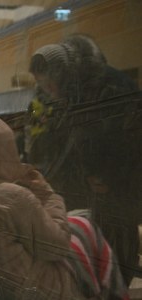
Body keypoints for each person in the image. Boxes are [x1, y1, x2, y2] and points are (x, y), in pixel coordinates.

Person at [0, 114, 128, 300]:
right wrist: (47, 194)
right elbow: (56, 246)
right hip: (38, 291)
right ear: (1, 151)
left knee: (79, 222)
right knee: (86, 228)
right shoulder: (11, 197)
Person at [25, 34, 141, 285]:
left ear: (64, 75)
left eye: (50, 85)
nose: (48, 91)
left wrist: (110, 177)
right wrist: (34, 150)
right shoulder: (41, 97)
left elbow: (131, 143)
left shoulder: (112, 86)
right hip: (68, 187)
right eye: (42, 86)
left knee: (114, 260)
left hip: (111, 191)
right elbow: (32, 133)